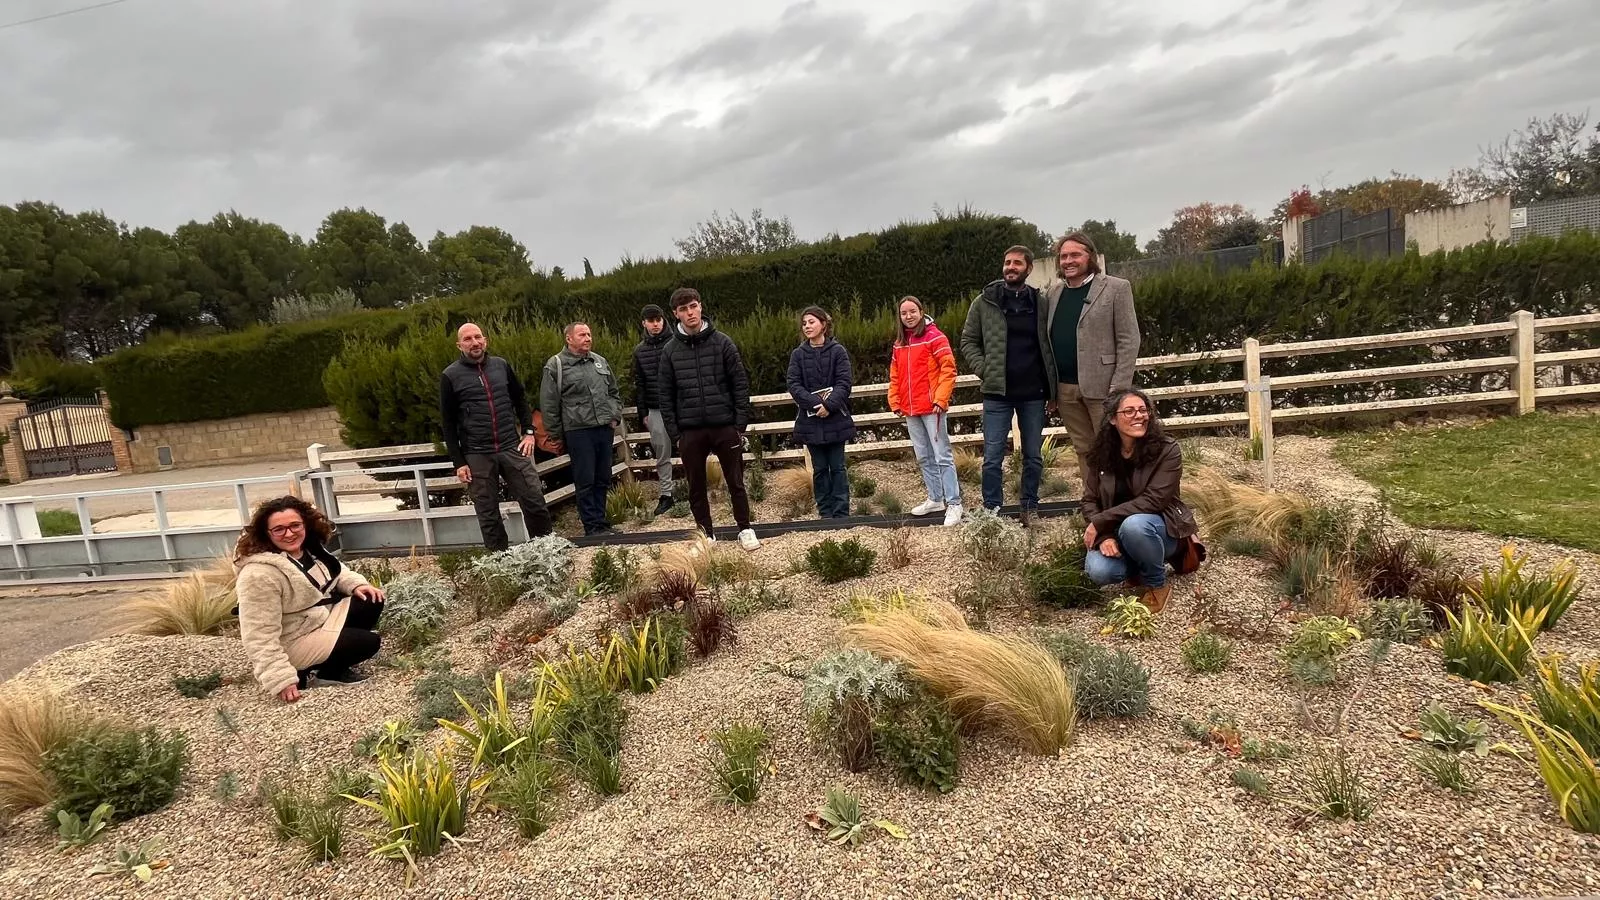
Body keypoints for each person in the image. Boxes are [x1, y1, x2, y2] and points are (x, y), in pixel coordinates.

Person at [234, 496, 388, 703]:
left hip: (318, 620)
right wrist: (280, 678)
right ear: (266, 533)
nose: (289, 533)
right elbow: (258, 633)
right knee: (366, 643)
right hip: (293, 640)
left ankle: (328, 662)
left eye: (295, 525)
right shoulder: (258, 574)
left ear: (305, 524)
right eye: (279, 529)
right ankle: (317, 673)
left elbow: (337, 572)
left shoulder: (309, 550)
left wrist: (357, 585)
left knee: (370, 599)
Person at [657, 287, 761, 551]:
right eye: (683, 309)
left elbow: (739, 384)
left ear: (700, 307)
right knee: (696, 487)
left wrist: (739, 425)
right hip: (690, 431)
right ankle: (706, 536)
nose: (690, 313)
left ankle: (745, 529)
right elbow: (665, 396)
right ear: (676, 314)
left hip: (724, 425)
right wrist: (676, 435)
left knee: (735, 481)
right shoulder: (669, 351)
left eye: (693, 306)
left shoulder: (723, 342)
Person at [959, 244, 1056, 525]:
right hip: (997, 394)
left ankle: (1029, 507)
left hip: (1033, 393)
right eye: (1007, 262)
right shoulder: (984, 301)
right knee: (991, 458)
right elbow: (968, 341)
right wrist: (984, 370)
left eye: (1017, 263)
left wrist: (1052, 386)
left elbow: (1049, 343)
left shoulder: (1041, 302)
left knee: (1033, 456)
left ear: (1029, 268)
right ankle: (992, 513)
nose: (1011, 267)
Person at [1079, 389, 1198, 613]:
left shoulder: (1167, 450)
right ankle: (1141, 564)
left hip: (1161, 529)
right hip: (1117, 530)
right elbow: (1089, 500)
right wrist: (1104, 535)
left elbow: (1154, 501)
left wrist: (1099, 522)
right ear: (1113, 419)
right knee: (1099, 572)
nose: (1139, 416)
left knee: (1134, 525)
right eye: (1129, 411)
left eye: (1143, 410)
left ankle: (1157, 585)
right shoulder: (1102, 453)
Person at [439, 322, 553, 550]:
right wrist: (459, 462)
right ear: (459, 345)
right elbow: (448, 423)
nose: (474, 342)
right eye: (468, 339)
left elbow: (520, 399)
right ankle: (499, 559)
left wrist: (529, 432)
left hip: (511, 446)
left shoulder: (501, 366)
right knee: (488, 511)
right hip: (477, 453)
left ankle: (546, 550)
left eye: (477, 337)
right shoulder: (450, 375)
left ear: (485, 340)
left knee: (534, 500)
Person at [1046, 231, 1141, 485]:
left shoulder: (1117, 288)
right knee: (1083, 449)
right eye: (1063, 256)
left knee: (1114, 447)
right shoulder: (1053, 294)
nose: (1068, 261)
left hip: (1104, 388)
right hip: (1065, 390)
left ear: (1090, 256)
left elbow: (1129, 340)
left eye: (1075, 255)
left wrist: (1118, 389)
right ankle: (1093, 500)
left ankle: (1121, 501)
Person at [541, 322, 623, 537]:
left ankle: (602, 522)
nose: (587, 338)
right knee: (585, 479)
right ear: (569, 338)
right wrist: (556, 435)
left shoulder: (599, 361)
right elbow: (549, 404)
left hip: (603, 429)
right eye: (582, 335)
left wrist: (614, 416)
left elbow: (614, 392)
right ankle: (591, 526)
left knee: (603, 477)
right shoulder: (556, 365)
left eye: (589, 334)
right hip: (578, 431)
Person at [888, 296, 963, 526]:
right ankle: (935, 498)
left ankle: (954, 503)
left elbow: (948, 369)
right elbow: (895, 374)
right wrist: (895, 400)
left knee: (942, 456)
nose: (908, 316)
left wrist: (941, 399)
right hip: (911, 409)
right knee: (923, 456)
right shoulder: (899, 343)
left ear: (921, 312)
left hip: (932, 407)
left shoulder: (935, 337)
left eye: (912, 311)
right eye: (903, 313)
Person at [786, 306, 856, 518]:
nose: (807, 326)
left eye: (812, 322)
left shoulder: (838, 352)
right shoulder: (798, 355)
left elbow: (844, 382)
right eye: (804, 323)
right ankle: (825, 512)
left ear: (823, 324)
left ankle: (841, 512)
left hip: (836, 419)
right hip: (811, 422)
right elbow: (794, 384)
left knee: (838, 467)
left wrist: (829, 405)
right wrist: (815, 404)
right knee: (820, 468)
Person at [631, 304, 677, 517]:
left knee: (693, 448)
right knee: (662, 452)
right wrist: (643, 413)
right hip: (655, 408)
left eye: (658, 320)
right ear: (644, 323)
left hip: (680, 405)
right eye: (651, 321)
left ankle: (697, 489)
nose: (656, 324)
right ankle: (667, 494)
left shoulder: (677, 342)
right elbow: (639, 383)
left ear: (663, 320)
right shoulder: (639, 351)